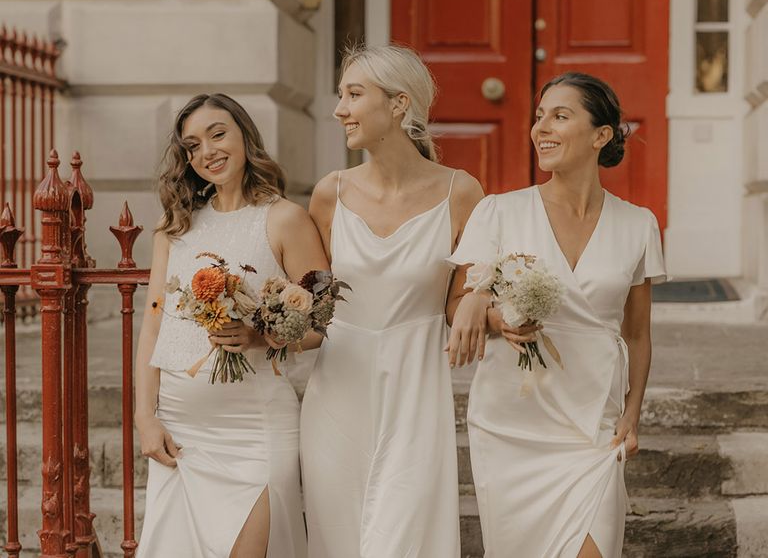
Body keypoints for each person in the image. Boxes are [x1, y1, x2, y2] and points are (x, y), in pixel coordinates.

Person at [448, 72, 665, 558]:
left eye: (560, 116)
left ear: (600, 135)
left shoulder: (638, 225)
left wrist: (632, 414)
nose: (540, 128)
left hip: (593, 424)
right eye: (539, 116)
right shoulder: (498, 212)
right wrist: (493, 317)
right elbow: (459, 305)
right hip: (513, 424)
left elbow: (638, 333)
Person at [300, 44, 484, 558]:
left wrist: (482, 298)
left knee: (409, 535)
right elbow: (313, 310)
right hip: (338, 392)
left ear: (399, 104)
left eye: (354, 94)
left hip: (416, 389)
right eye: (341, 95)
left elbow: (459, 302)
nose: (340, 109)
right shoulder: (329, 194)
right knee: (338, 538)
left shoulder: (462, 194)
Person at [134, 93, 327, 558]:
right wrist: (145, 416)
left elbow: (321, 323)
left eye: (218, 134)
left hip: (254, 428)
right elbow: (153, 326)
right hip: (181, 427)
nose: (207, 151)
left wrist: (261, 336)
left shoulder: (286, 220)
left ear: (245, 135)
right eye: (192, 145)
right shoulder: (175, 227)